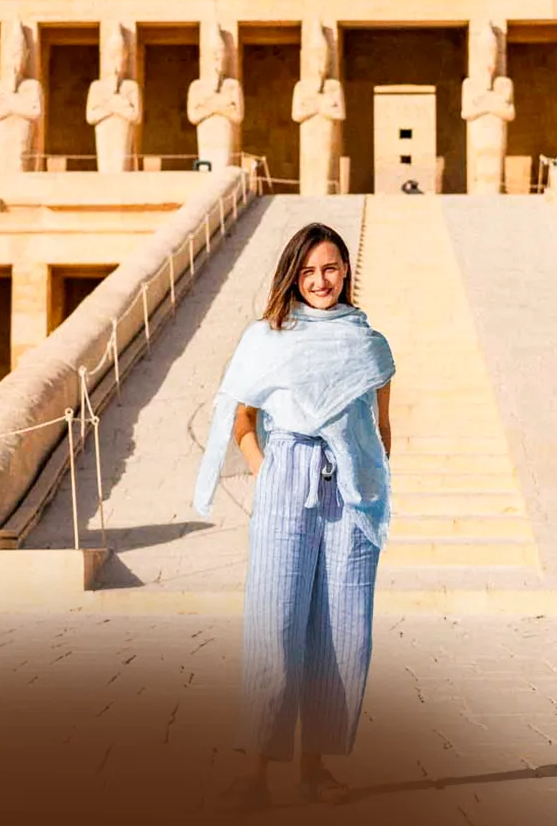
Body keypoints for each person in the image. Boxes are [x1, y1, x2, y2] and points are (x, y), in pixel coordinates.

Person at [192, 222, 395, 809]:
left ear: (346, 272)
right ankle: (256, 772)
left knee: (342, 626)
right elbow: (243, 418)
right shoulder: (269, 337)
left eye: (330, 268)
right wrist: (267, 469)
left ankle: (316, 768)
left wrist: (368, 474)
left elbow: (383, 428)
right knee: (276, 621)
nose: (320, 281)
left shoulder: (368, 343)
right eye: (308, 272)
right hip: (288, 482)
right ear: (293, 276)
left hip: (351, 491)